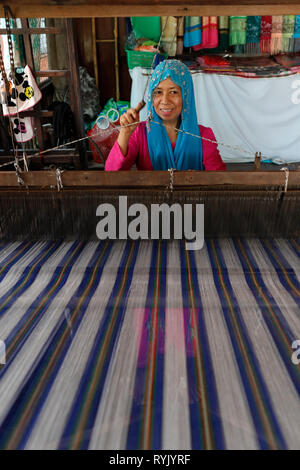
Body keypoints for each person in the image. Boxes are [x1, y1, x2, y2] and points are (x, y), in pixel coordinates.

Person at [105, 59, 226, 171]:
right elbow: (111, 174)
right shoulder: (139, 133)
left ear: (186, 95)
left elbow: (219, 181)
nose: (165, 100)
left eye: (173, 92)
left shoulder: (204, 136)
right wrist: (125, 133)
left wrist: (196, 179)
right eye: (158, 92)